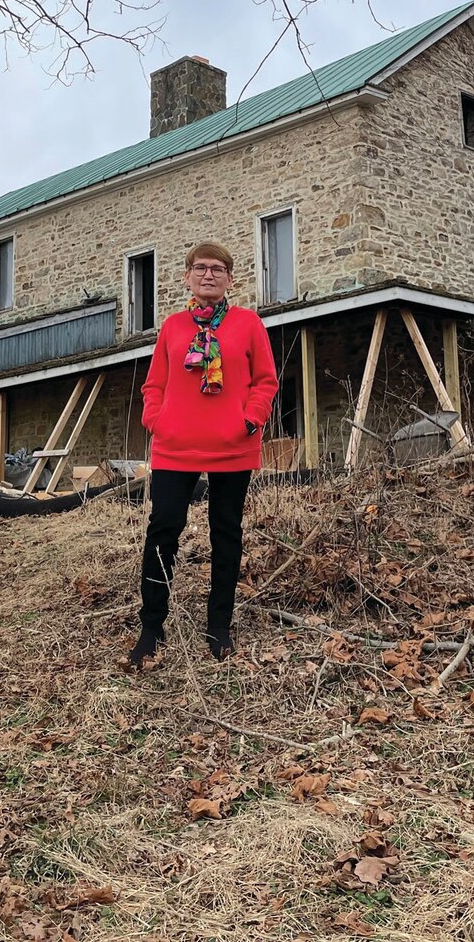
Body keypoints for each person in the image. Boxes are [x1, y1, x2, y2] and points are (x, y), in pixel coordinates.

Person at [131, 241, 278, 666]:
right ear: (187, 277)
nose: (208, 274)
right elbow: (153, 384)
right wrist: (156, 419)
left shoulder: (249, 324)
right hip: (175, 446)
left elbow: (265, 381)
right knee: (163, 530)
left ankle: (218, 627)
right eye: (200, 268)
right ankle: (152, 627)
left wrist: (250, 420)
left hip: (233, 446)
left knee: (226, 534)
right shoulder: (173, 327)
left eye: (217, 268)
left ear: (231, 278)